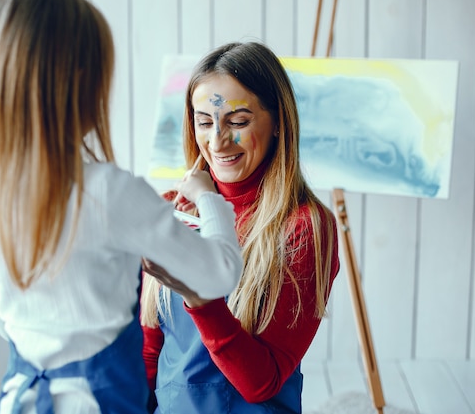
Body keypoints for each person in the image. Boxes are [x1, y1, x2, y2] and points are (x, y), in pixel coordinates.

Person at [0, 0, 243, 413]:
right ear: (81, 82)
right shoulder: (110, 193)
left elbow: (4, 323)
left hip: (19, 397)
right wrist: (210, 199)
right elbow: (219, 274)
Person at [140, 41, 341, 413]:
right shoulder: (171, 209)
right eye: (204, 121)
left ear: (278, 120)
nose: (217, 141)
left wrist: (201, 300)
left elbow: (259, 383)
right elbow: (150, 348)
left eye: (238, 121)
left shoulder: (305, 228)